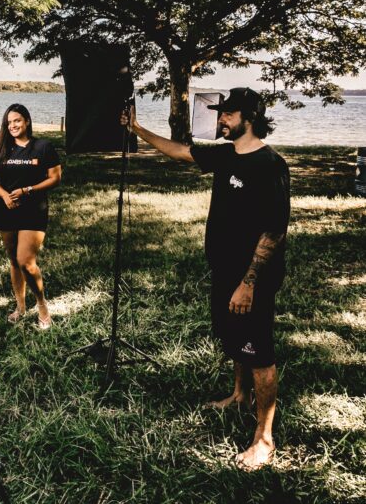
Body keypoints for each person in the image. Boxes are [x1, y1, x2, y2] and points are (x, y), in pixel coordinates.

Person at [123, 88, 290, 470]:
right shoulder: (225, 155)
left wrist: (248, 282)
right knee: (235, 338)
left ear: (248, 116)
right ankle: (239, 395)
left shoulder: (271, 165)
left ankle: (264, 439)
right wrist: (137, 128)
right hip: (224, 270)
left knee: (259, 352)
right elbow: (180, 151)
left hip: (252, 278)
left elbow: (273, 231)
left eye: (227, 115)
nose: (220, 121)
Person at [0, 104, 62, 330]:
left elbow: (55, 178)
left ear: (27, 121)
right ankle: (20, 306)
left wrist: (28, 190)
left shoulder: (43, 147)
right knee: (13, 260)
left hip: (33, 210)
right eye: (9, 122)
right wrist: (4, 196)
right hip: (5, 210)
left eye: (17, 121)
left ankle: (42, 306)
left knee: (26, 262)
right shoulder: (2, 148)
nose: (13, 126)